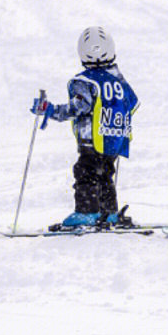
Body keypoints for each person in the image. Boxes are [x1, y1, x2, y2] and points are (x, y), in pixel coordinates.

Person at [30, 27, 139, 229]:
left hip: (91, 140)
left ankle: (87, 212)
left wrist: (51, 110)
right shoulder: (118, 79)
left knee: (85, 172)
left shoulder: (84, 81)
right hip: (113, 140)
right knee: (105, 173)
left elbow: (78, 107)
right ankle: (109, 213)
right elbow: (133, 103)